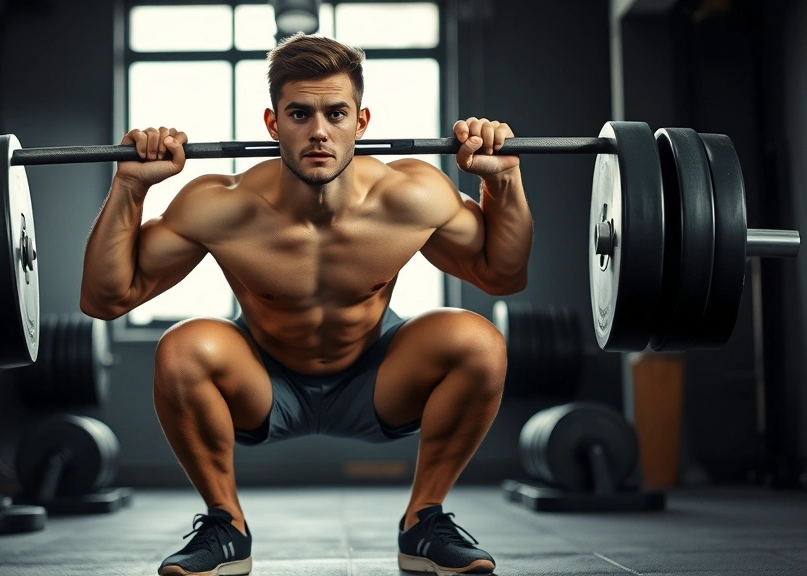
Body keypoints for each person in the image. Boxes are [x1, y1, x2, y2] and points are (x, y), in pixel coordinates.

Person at [81, 32, 532, 576]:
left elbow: (500, 275)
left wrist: (504, 179)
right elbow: (107, 297)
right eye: (299, 114)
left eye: (336, 113)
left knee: (479, 341)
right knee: (182, 348)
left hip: (378, 380)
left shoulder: (411, 196)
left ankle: (424, 521)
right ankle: (227, 527)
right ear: (273, 123)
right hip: (264, 384)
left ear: (361, 123)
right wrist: (130, 186)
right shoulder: (222, 206)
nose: (319, 132)